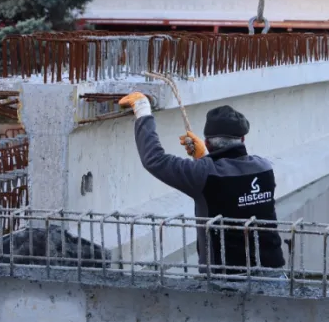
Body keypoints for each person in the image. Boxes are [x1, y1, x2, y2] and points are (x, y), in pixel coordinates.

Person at [118, 92, 285, 275]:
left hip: (227, 279)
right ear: (243, 138)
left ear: (207, 141)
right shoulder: (264, 168)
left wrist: (143, 110)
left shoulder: (203, 174)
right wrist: (205, 157)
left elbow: (155, 160)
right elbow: (232, 185)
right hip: (273, 271)